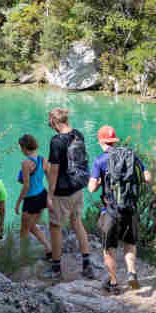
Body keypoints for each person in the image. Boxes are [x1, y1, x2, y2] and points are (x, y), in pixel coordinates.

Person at [88, 125, 152, 294]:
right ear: (114, 140)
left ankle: (113, 282)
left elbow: (91, 188)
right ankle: (132, 274)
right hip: (130, 209)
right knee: (130, 244)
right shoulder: (131, 156)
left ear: (101, 141)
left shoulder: (100, 161)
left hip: (111, 211)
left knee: (109, 249)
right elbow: (148, 177)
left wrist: (100, 182)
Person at [44, 107, 95, 280]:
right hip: (77, 186)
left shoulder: (56, 141)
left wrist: (50, 195)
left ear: (54, 122)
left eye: (50, 123)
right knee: (77, 222)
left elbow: (54, 171)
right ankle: (87, 263)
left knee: (55, 226)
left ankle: (56, 268)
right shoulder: (78, 134)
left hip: (62, 191)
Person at [13, 134, 51, 257]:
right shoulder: (43, 159)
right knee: (32, 226)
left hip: (31, 199)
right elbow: (51, 179)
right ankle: (49, 249)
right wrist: (50, 197)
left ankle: (23, 257)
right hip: (42, 196)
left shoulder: (26, 163)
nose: (21, 150)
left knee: (24, 231)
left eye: (21, 147)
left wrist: (18, 203)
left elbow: (26, 186)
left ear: (24, 147)